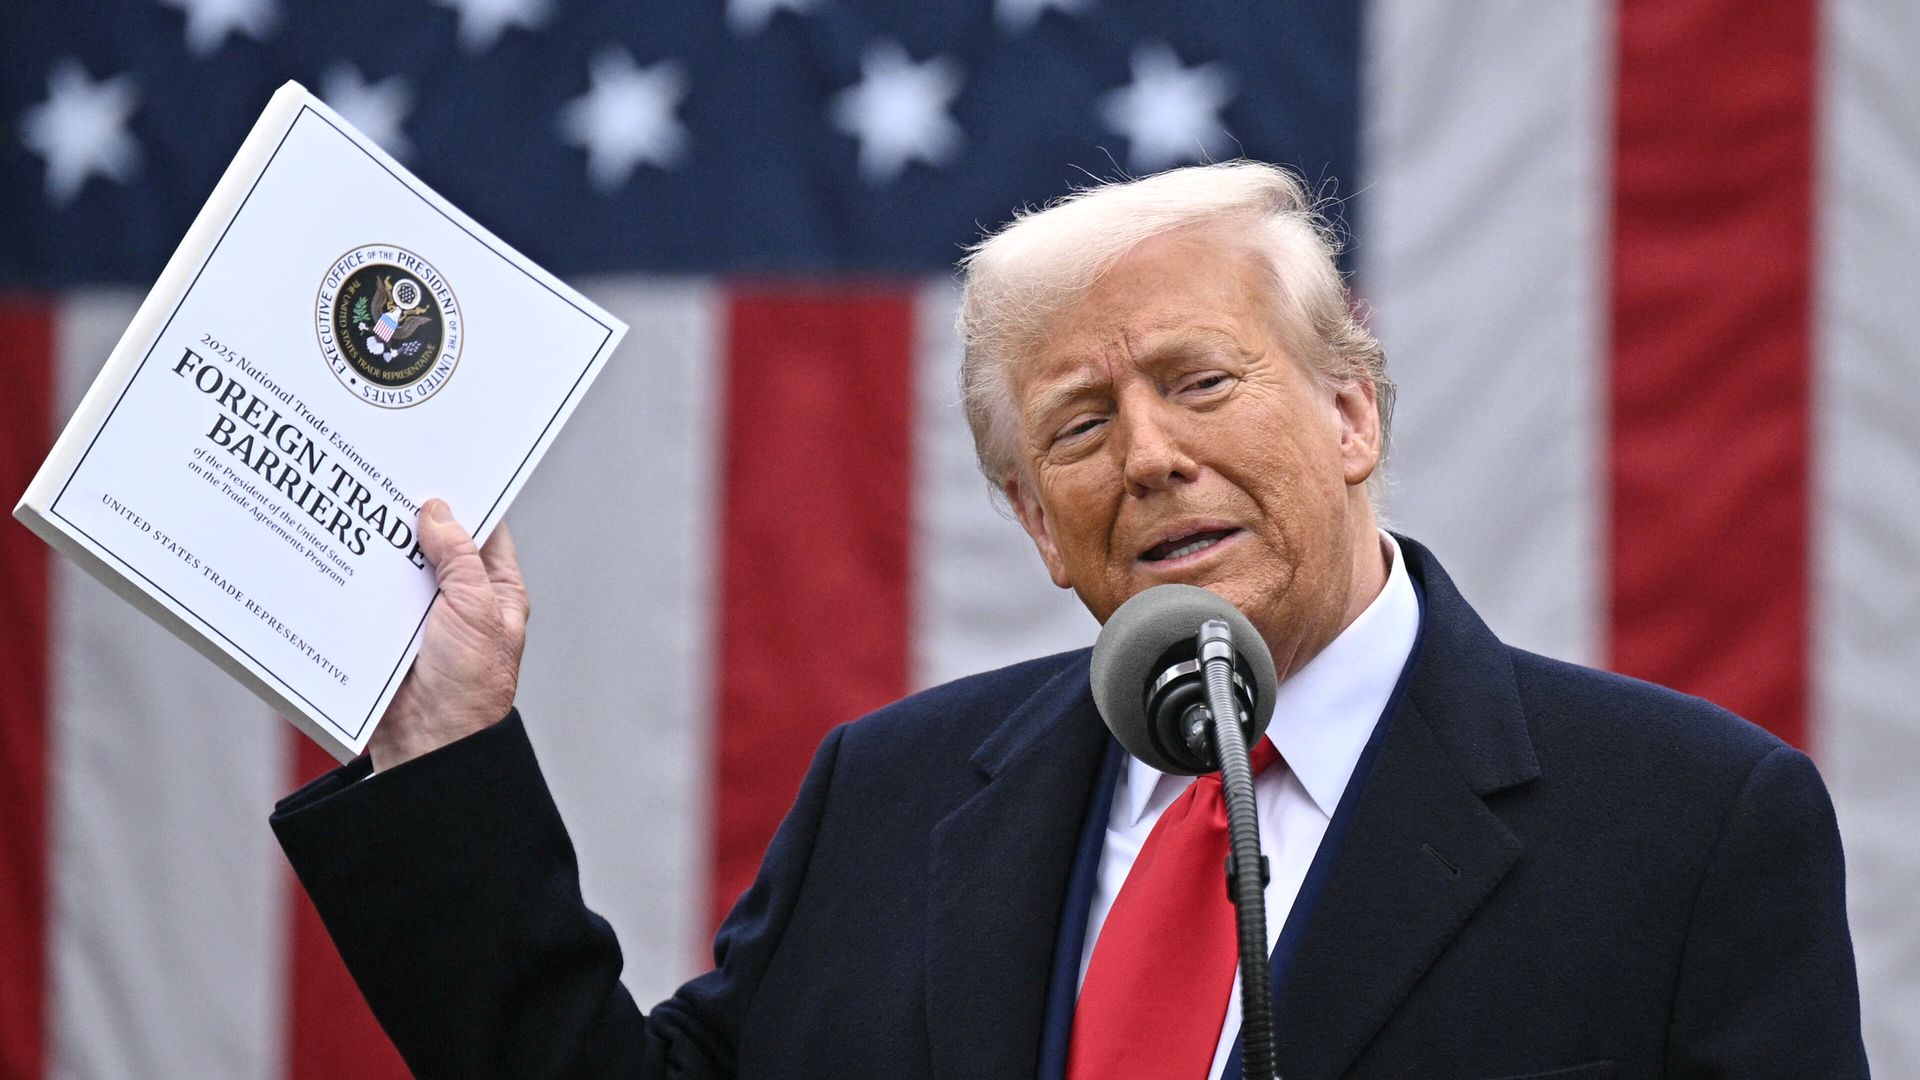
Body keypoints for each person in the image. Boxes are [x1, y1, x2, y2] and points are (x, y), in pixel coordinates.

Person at [273, 162, 1869, 1079]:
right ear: (1038, 522)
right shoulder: (893, 797)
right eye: (1082, 427)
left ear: (1352, 414)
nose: (1154, 454)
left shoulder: (1688, 827)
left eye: (1200, 380)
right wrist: (449, 745)